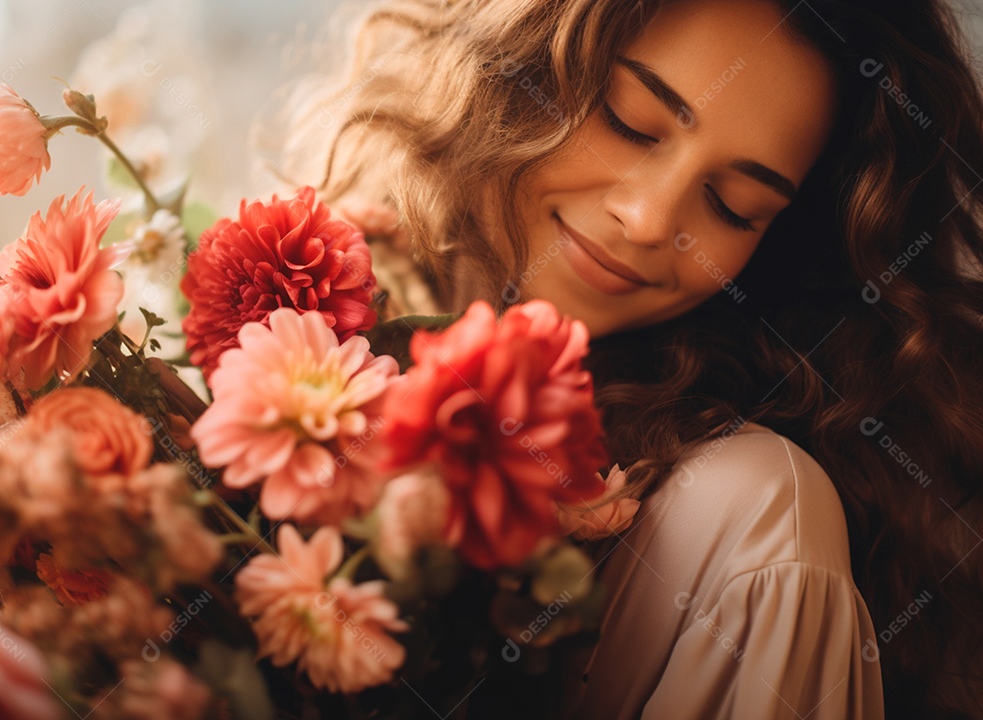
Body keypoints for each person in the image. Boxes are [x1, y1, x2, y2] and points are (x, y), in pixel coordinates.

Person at [274, 0, 983, 717]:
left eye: (734, 206)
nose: (648, 220)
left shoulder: (750, 516)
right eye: (629, 122)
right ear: (507, 62)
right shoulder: (296, 326)